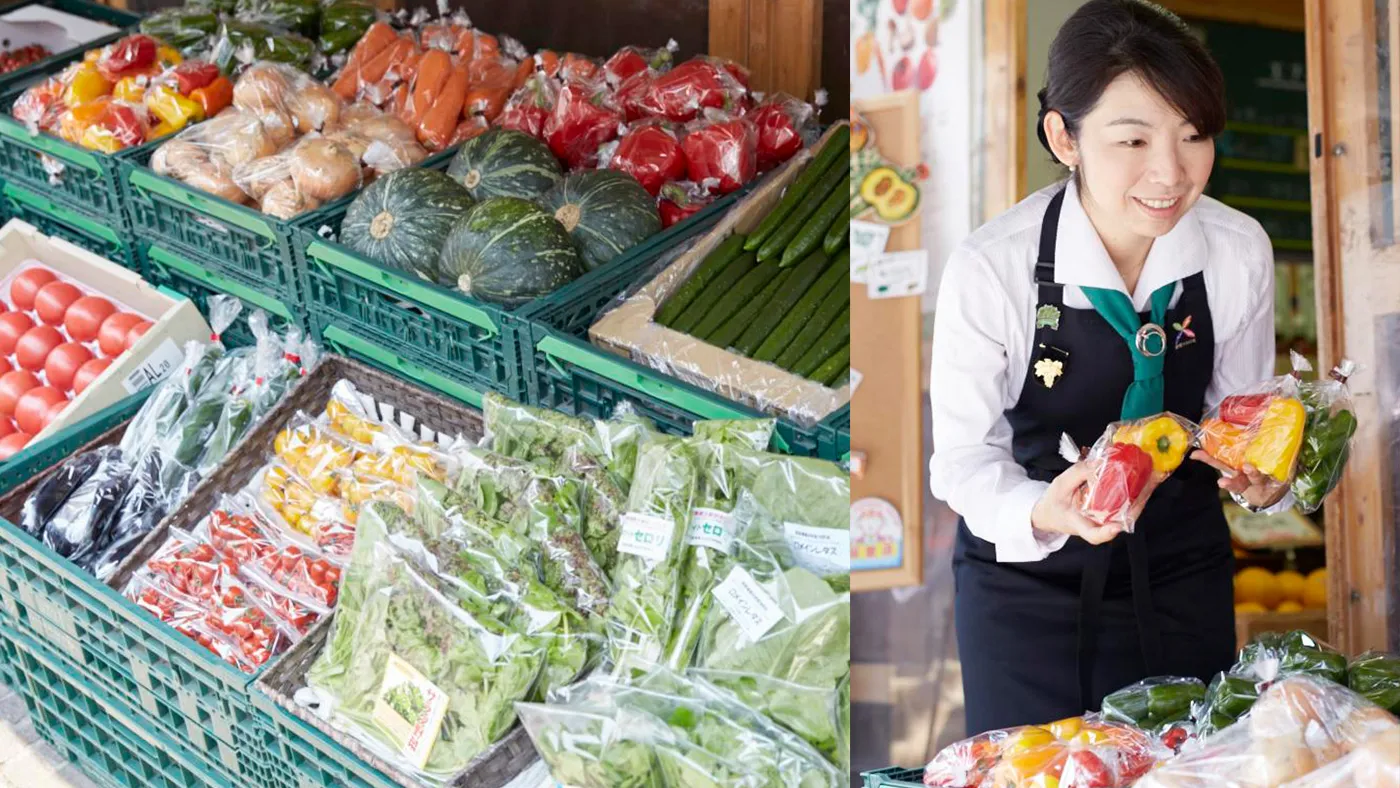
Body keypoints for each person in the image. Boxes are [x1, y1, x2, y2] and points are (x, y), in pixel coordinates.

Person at [928, 0, 1288, 734]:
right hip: (1023, 587)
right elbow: (961, 462)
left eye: (1194, 136)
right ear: (1064, 136)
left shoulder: (1236, 249)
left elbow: (1238, 423)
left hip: (1182, 571)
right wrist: (1042, 509)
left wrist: (1262, 481)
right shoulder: (994, 268)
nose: (1171, 172)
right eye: (1133, 140)